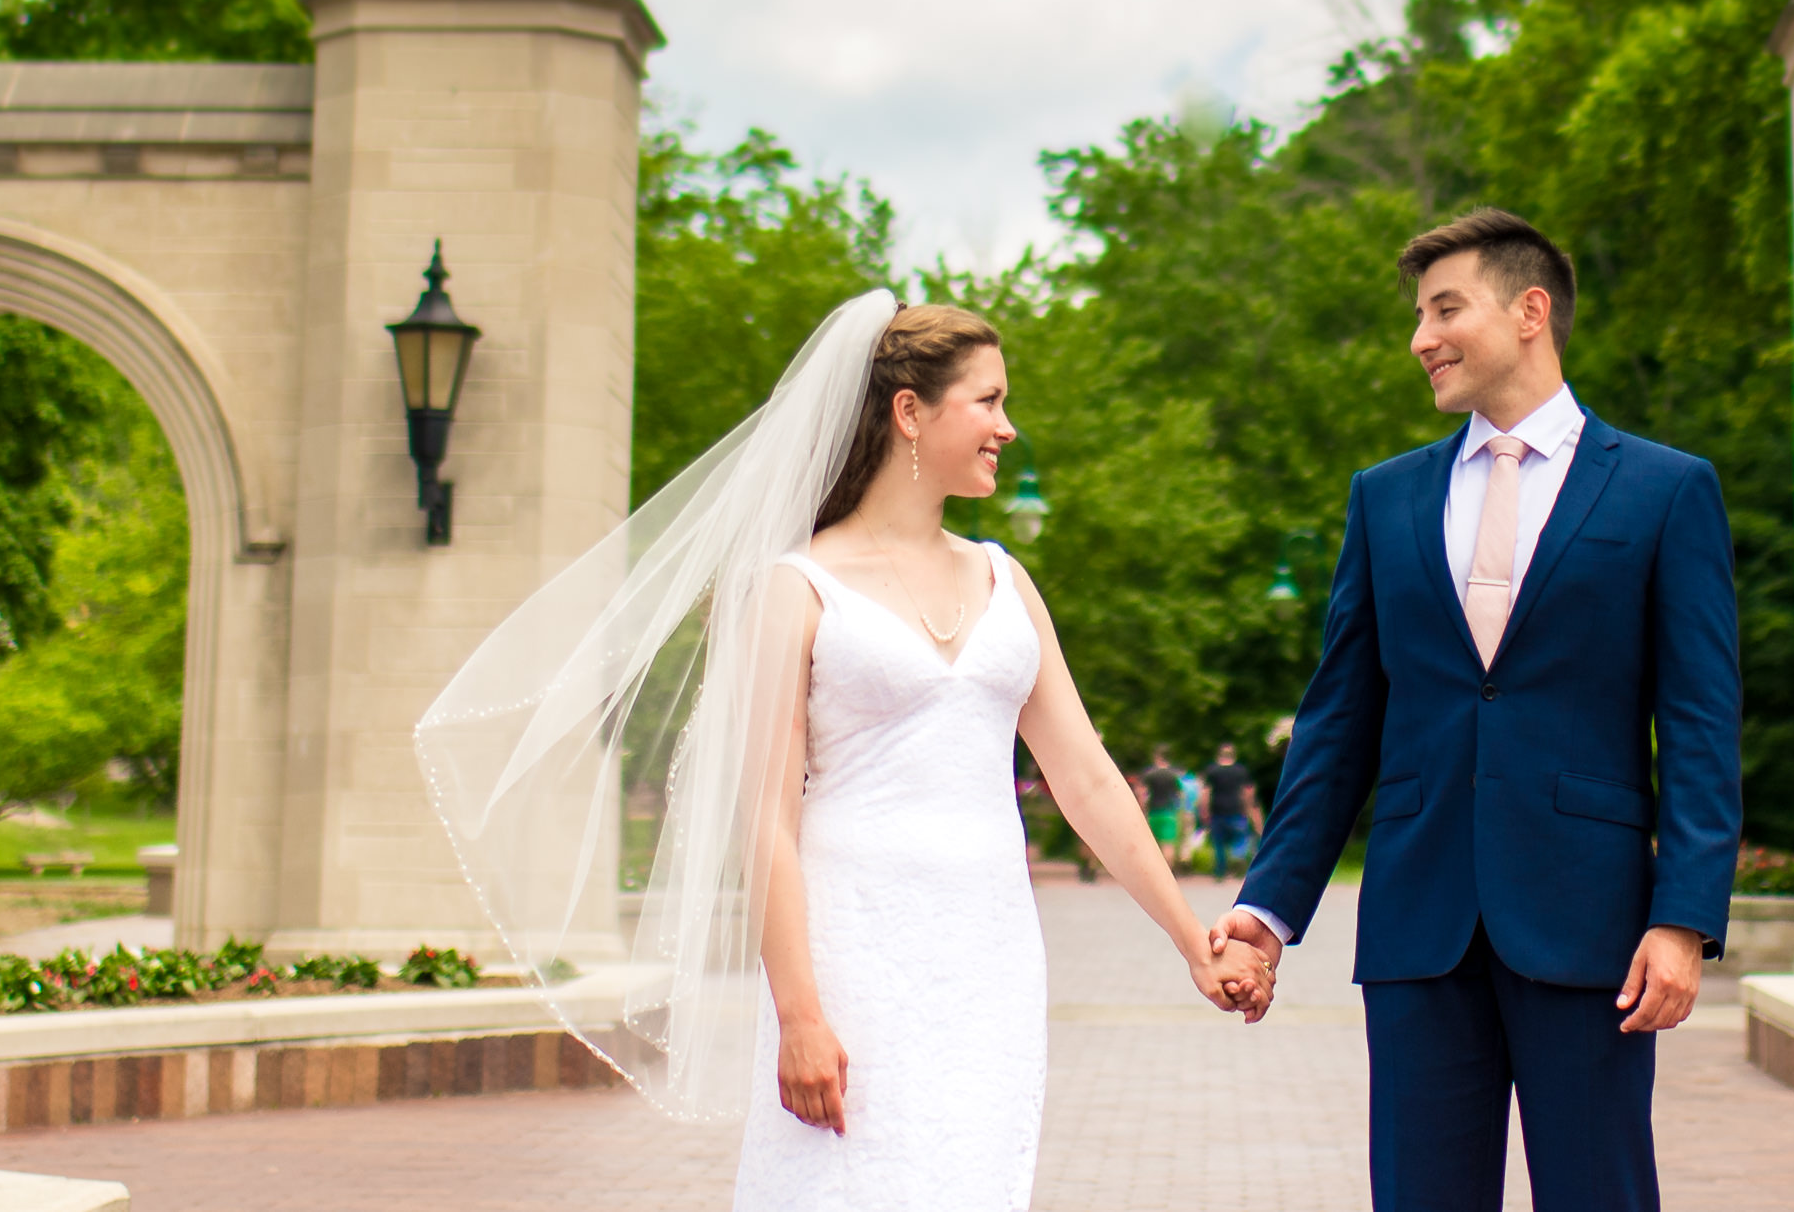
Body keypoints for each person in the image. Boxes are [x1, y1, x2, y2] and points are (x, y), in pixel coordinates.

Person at [417, 294, 1270, 1212]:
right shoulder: (795, 588)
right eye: (987, 401)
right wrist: (799, 1016)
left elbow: (1090, 780)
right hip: (854, 955)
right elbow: (767, 824)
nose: (1007, 427)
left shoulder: (1005, 579)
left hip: (988, 956)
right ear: (910, 411)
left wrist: (1192, 940)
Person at [1216, 209, 1742, 1212]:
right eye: (1418, 316)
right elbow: (1338, 723)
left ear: (1530, 311)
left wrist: (1681, 919)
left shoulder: (1666, 492)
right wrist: (1268, 909)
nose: (1421, 339)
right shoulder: (1386, 500)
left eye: (1444, 309)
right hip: (1419, 927)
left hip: (1591, 931)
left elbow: (1702, 722)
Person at [1200, 745, 1261, 878]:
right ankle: (1238, 857)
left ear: (1219, 755)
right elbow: (1248, 791)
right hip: (1236, 809)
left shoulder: (1212, 771)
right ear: (1234, 755)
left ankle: (1220, 872)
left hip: (1217, 810)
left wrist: (1204, 810)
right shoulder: (1241, 771)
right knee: (1240, 837)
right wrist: (1248, 808)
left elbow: (1206, 792)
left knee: (1219, 843)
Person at [1140, 748, 1188, 871]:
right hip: (1169, 811)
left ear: (1156, 757)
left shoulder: (1149, 774)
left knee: (1153, 845)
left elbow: (1143, 794)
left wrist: (1142, 809)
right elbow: (1181, 794)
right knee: (1168, 843)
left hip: (1153, 811)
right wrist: (1181, 810)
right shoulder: (1173, 775)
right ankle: (1169, 871)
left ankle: (1155, 872)